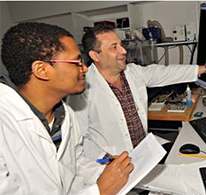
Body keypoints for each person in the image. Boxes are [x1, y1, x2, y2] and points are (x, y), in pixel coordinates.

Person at [0, 22, 133, 195]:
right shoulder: (5, 122)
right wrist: (101, 191)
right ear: (42, 70)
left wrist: (110, 172)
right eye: (76, 61)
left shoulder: (65, 114)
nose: (85, 68)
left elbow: (76, 164)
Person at [67, 25, 206, 160]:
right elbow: (79, 138)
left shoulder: (133, 72)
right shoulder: (81, 88)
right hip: (113, 163)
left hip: (143, 153)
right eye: (114, 47)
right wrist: (107, 158)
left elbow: (166, 72)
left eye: (121, 44)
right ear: (95, 55)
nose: (123, 51)